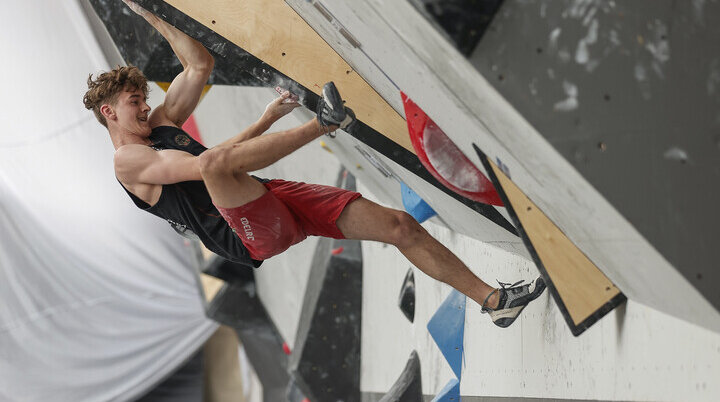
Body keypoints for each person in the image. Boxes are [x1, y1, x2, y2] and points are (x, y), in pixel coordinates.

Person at [83, 0, 545, 328]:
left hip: (263, 197)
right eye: (134, 102)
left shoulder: (160, 125)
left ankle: (494, 301)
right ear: (109, 112)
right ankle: (326, 124)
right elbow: (210, 167)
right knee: (214, 166)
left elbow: (199, 65)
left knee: (400, 226)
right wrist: (285, 126)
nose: (146, 107)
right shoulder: (129, 162)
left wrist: (148, 11)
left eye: (144, 99)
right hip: (244, 235)